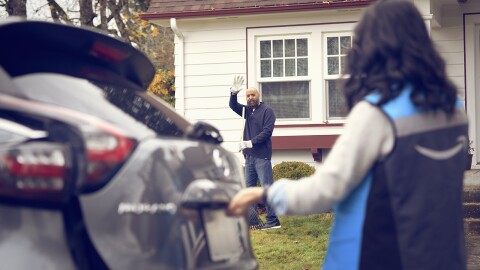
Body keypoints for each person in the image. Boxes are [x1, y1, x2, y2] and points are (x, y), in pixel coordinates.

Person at [227, 0, 468, 269]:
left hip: (376, 255)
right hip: (442, 256)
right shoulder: (454, 109)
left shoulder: (377, 114)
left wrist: (265, 195)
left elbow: (327, 189)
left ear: (373, 48)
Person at [229, 76, 281, 230]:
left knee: (266, 189)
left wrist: (250, 142)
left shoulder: (267, 111)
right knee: (249, 190)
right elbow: (233, 106)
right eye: (248, 95)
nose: (250, 97)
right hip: (249, 157)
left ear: (259, 96)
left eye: (253, 95)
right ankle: (251, 220)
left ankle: (273, 220)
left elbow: (267, 132)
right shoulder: (247, 111)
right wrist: (233, 93)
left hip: (262, 156)